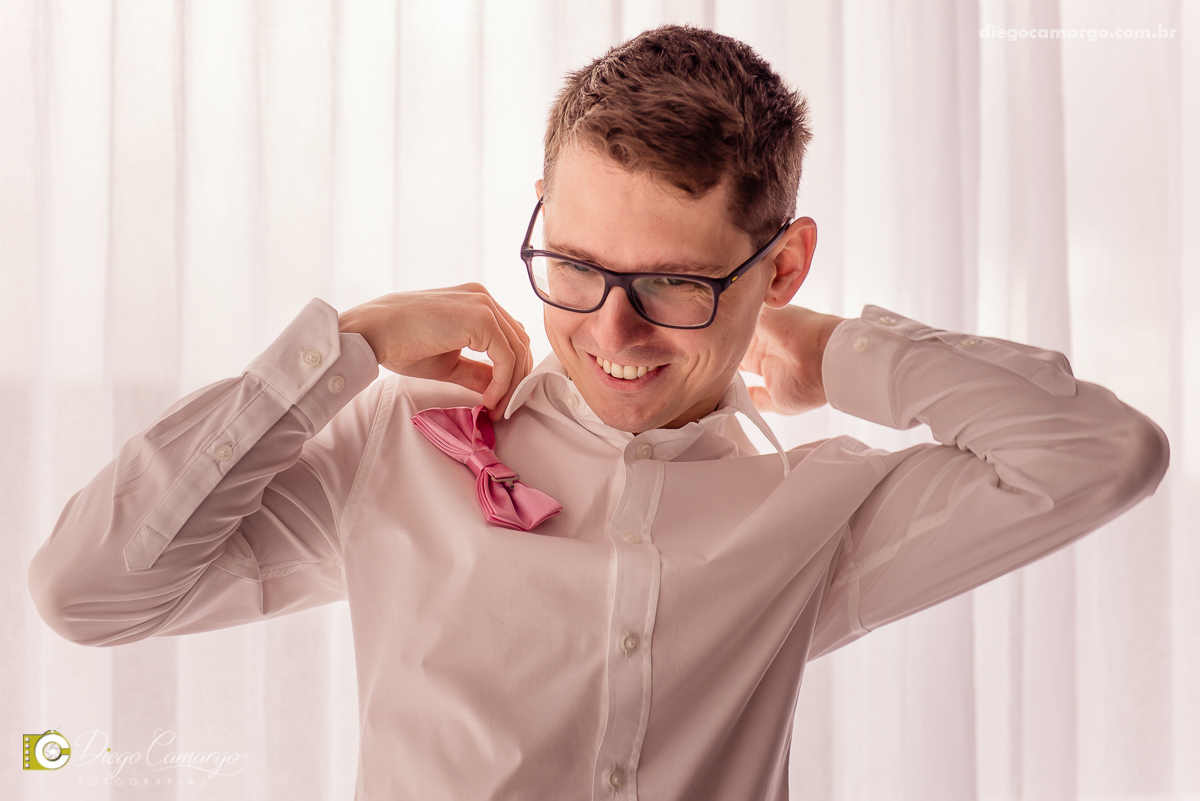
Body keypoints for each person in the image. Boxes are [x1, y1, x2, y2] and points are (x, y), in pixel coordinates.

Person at [28, 24, 1169, 801]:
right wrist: (346, 350)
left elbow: (1103, 453)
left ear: (782, 265)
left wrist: (845, 352)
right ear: (537, 213)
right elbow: (87, 593)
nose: (610, 333)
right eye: (573, 265)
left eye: (675, 285)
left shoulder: (823, 513)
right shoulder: (401, 442)